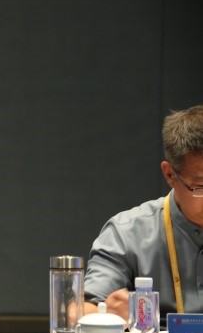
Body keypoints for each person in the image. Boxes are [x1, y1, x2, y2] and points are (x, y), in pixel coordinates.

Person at [84, 104, 203, 321]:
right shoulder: (127, 233)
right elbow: (82, 311)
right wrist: (113, 313)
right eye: (200, 187)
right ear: (170, 174)